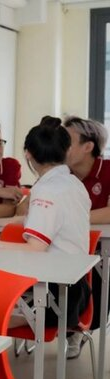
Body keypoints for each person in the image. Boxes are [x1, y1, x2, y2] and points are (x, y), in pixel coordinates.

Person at [0, 117, 91, 357]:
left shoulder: (46, 189)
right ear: (66, 150)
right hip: (74, 290)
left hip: (55, 299)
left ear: (28, 154)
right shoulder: (73, 184)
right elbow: (54, 223)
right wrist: (13, 221)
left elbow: (36, 248)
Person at [64, 115, 110, 331]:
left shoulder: (108, 169)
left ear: (88, 147)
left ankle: (82, 328)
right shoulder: (61, 172)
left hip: (103, 250)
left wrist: (68, 216)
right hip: (71, 248)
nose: (60, 147)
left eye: (67, 142)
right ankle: (67, 327)